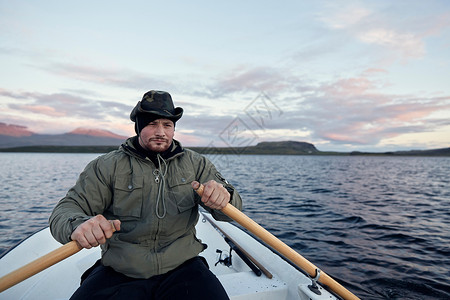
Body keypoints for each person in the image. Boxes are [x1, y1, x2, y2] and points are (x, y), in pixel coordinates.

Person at [49, 90, 243, 300]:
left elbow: (233, 211)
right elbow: (66, 210)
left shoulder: (197, 163)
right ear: (139, 127)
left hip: (183, 267)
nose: (161, 131)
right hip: (121, 271)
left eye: (167, 125)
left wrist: (224, 198)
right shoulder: (106, 166)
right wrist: (77, 226)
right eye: (152, 124)